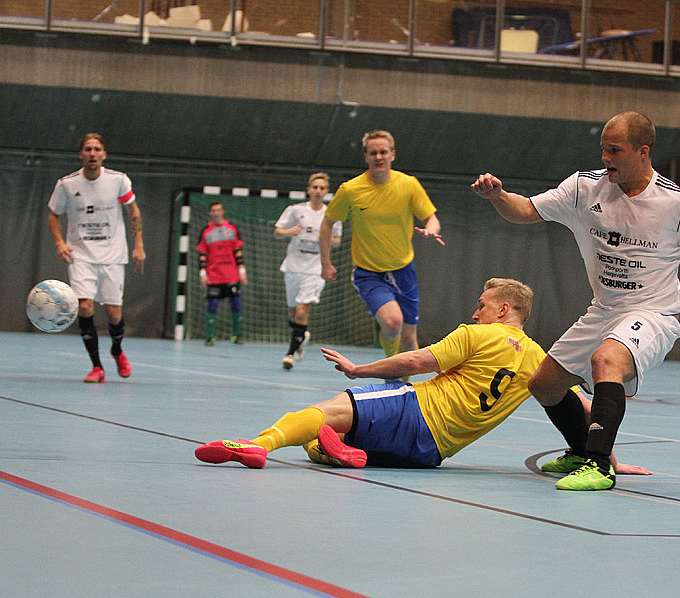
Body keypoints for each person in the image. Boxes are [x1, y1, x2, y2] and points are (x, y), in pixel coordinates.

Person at [471, 111, 680, 491]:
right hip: (604, 310)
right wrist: (498, 196)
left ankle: (599, 466)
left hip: (654, 313)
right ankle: (582, 451)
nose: (605, 158)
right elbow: (526, 210)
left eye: (615, 150)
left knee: (605, 360)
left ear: (643, 152)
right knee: (545, 385)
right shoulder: (584, 188)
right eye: (603, 149)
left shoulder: (678, 204)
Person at [194, 278, 649, 473]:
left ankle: (258, 445)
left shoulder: (478, 334)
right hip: (431, 453)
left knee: (325, 410)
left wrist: (359, 369)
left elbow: (414, 363)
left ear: (503, 310)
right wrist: (605, 455)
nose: (475, 311)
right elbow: (582, 409)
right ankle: (340, 452)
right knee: (321, 441)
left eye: (482, 305)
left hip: (418, 412)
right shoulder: (539, 361)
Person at [319, 130, 444, 362]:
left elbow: (431, 217)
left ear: (392, 155)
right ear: (366, 156)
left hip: (403, 270)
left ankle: (402, 385)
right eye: (373, 153)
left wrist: (431, 229)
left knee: (408, 341)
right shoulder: (350, 190)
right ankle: (391, 372)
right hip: (368, 273)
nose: (379, 157)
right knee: (392, 323)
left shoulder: (408, 185)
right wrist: (326, 263)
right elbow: (327, 224)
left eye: (383, 152)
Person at [48, 133, 145, 383]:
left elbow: (133, 210)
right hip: (80, 255)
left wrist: (139, 245)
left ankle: (117, 349)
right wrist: (60, 242)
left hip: (113, 255)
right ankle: (97, 367)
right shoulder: (67, 184)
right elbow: (53, 213)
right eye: (88, 149)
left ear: (104, 154)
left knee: (114, 314)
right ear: (81, 154)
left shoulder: (118, 181)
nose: (92, 153)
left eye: (97, 149)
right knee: (84, 306)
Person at [273, 172, 342, 369]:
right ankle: (301, 336)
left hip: (315, 267)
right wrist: (289, 231)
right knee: (293, 313)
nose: (318, 191)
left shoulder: (331, 215)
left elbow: (337, 240)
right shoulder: (295, 210)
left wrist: (325, 238)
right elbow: (277, 231)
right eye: (315, 188)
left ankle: (290, 354)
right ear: (309, 190)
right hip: (294, 265)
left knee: (303, 311)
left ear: (326, 192)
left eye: (322, 188)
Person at [197, 202, 247, 346]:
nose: (216, 213)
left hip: (231, 275)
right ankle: (210, 337)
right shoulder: (206, 231)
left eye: (219, 210)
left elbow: (238, 252)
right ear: (210, 213)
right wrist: (202, 273)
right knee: (212, 305)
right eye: (213, 210)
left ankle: (237, 336)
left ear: (223, 212)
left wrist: (242, 271)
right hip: (214, 276)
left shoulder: (231, 229)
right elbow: (202, 254)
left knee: (236, 304)